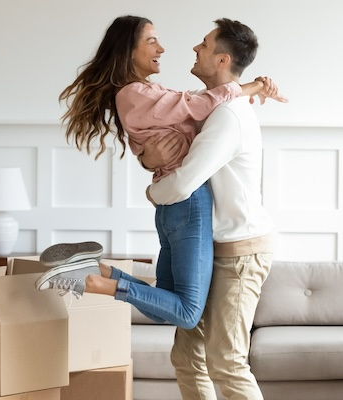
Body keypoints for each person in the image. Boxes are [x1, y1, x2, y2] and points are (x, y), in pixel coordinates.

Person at [34, 15, 285, 331]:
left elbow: (192, 115)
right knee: (187, 313)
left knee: (160, 306)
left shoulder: (143, 94)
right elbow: (197, 104)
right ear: (128, 51)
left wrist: (252, 87)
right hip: (188, 204)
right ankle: (92, 282)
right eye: (151, 41)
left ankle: (92, 268)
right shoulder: (136, 93)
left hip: (176, 209)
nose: (162, 48)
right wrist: (250, 86)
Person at [142, 18, 278, 400]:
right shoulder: (215, 107)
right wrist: (149, 159)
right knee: (187, 359)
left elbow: (183, 182)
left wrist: (152, 194)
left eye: (203, 44)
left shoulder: (228, 117)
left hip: (239, 254)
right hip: (210, 249)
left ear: (221, 59)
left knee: (226, 361)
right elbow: (167, 150)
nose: (194, 49)